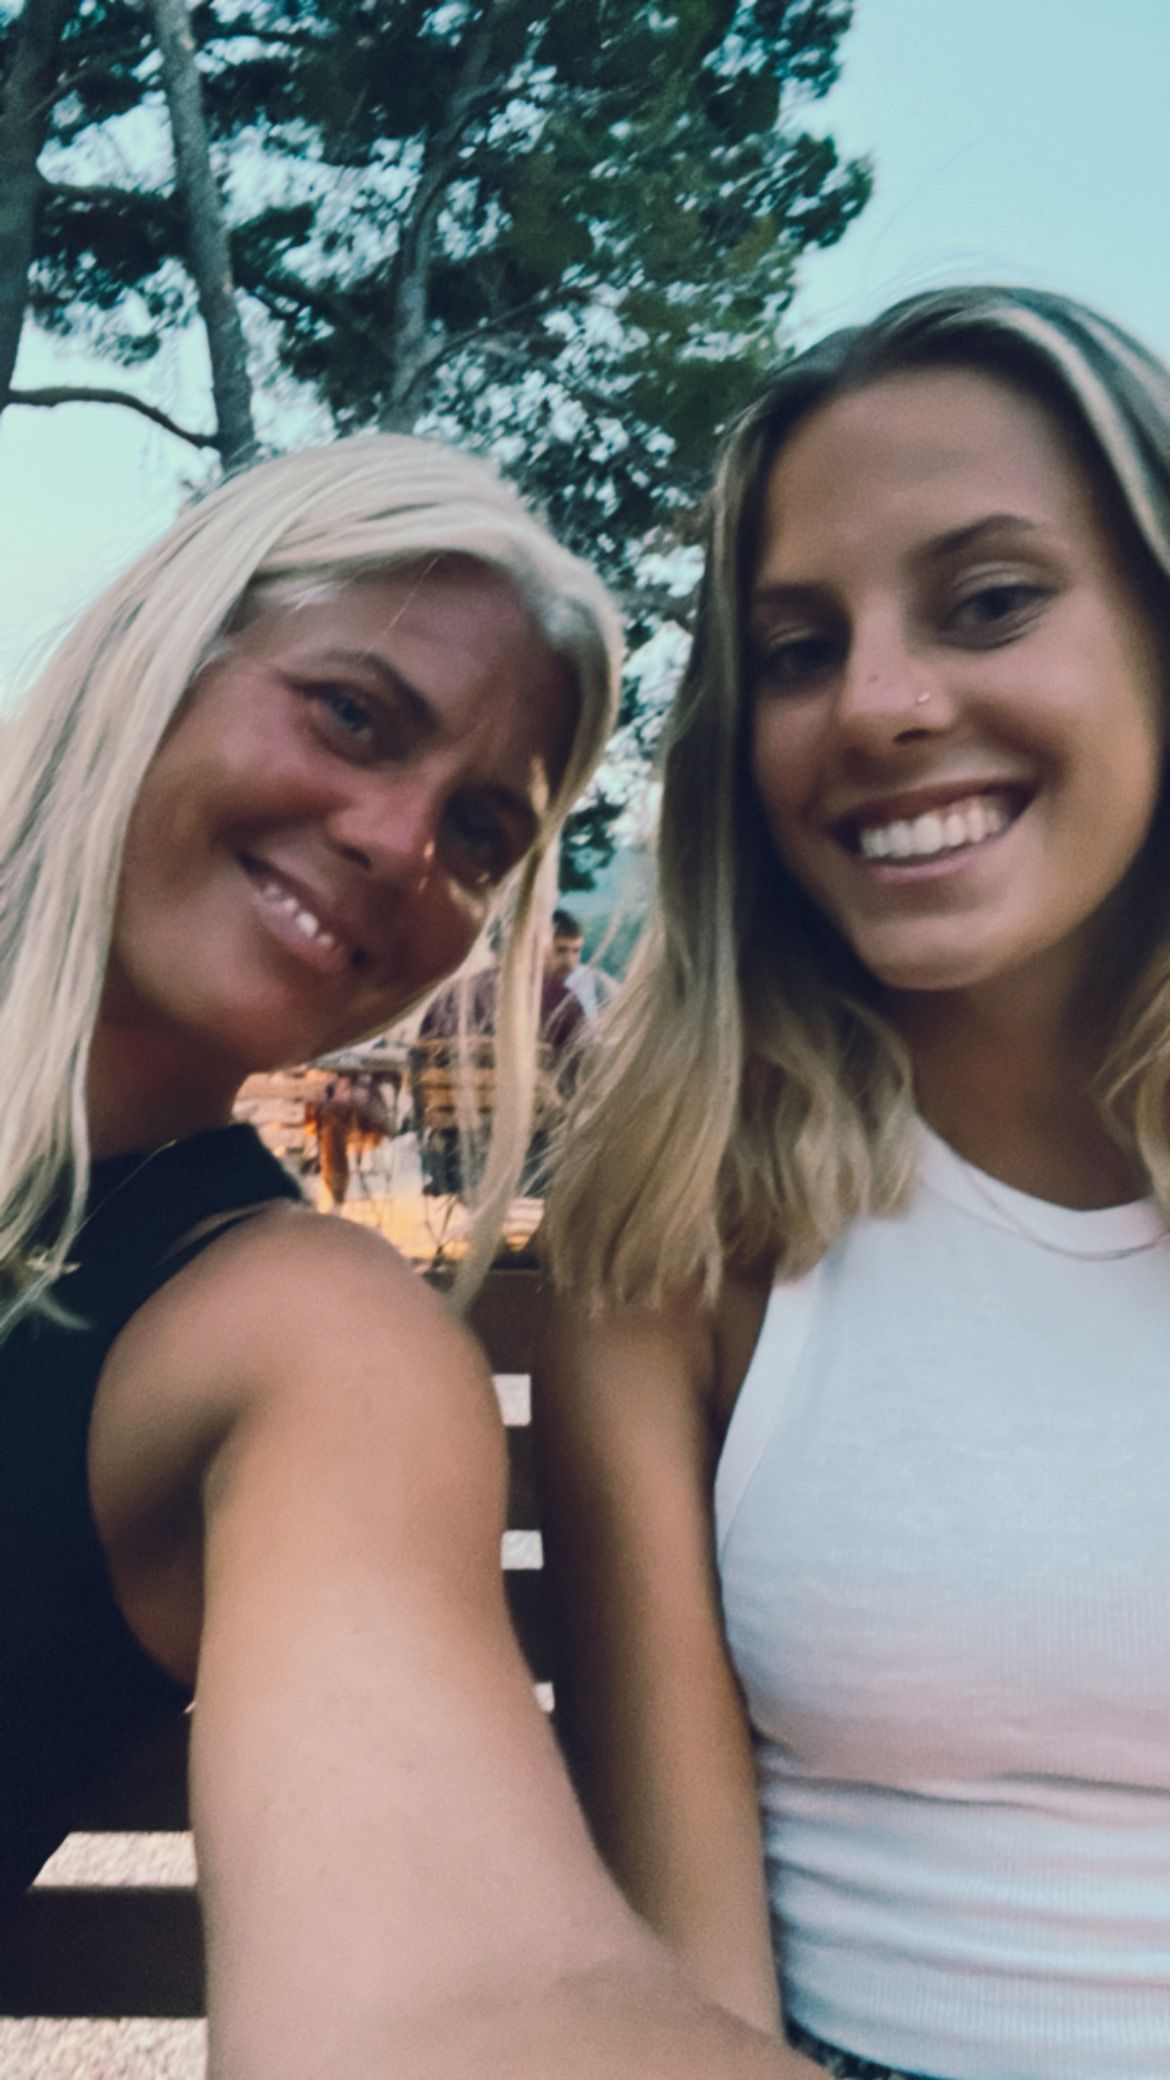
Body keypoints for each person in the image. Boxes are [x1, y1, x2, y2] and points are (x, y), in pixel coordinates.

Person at [0, 431, 800, 2079]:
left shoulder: (290, 1335)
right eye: (354, 716)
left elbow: (462, 1998)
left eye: (482, 834)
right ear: (165, 648)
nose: (399, 843)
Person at [538, 285, 1170, 2080]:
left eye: (990, 601)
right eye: (798, 648)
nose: (878, 705)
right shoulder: (681, 1236)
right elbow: (690, 1986)